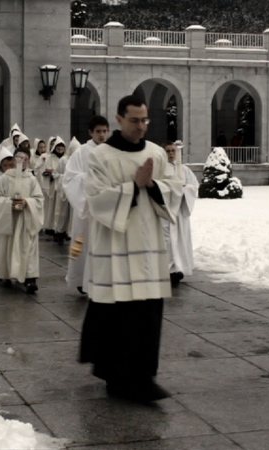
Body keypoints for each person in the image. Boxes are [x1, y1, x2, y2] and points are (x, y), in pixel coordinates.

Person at [79, 94, 180, 403]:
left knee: (148, 314)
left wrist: (153, 185)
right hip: (115, 246)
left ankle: (143, 376)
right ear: (119, 120)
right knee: (116, 315)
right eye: (135, 120)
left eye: (145, 120)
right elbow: (95, 199)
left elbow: (173, 189)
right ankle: (115, 374)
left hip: (148, 247)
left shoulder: (155, 153)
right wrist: (133, 185)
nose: (141, 126)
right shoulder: (101, 156)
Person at [63, 115, 110, 294]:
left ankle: (101, 280)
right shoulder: (81, 152)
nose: (102, 135)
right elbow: (70, 178)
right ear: (91, 132)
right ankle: (82, 279)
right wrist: (90, 179)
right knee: (84, 243)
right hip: (87, 207)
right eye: (98, 131)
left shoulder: (112, 151)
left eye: (105, 131)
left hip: (106, 205)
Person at [0, 146, 44, 293]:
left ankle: (30, 278)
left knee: (28, 249)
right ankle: (6, 274)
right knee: (8, 246)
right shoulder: (5, 178)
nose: (22, 162)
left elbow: (39, 199)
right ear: (14, 160)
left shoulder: (31, 180)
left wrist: (27, 203)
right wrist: (8, 203)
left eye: (25, 159)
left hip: (26, 219)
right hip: (10, 220)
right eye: (19, 158)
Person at [162, 141, 198, 286]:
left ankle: (180, 268)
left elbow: (194, 186)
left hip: (180, 213)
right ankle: (167, 270)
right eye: (168, 151)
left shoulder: (184, 170)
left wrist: (184, 189)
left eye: (173, 151)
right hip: (167, 211)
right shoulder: (160, 170)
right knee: (168, 241)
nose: (171, 154)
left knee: (180, 240)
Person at [41, 137, 66, 237]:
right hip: (53, 186)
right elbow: (44, 170)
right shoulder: (50, 158)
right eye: (58, 148)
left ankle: (59, 227)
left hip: (62, 186)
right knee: (51, 207)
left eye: (61, 149)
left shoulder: (65, 159)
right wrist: (50, 172)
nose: (60, 150)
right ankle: (50, 226)